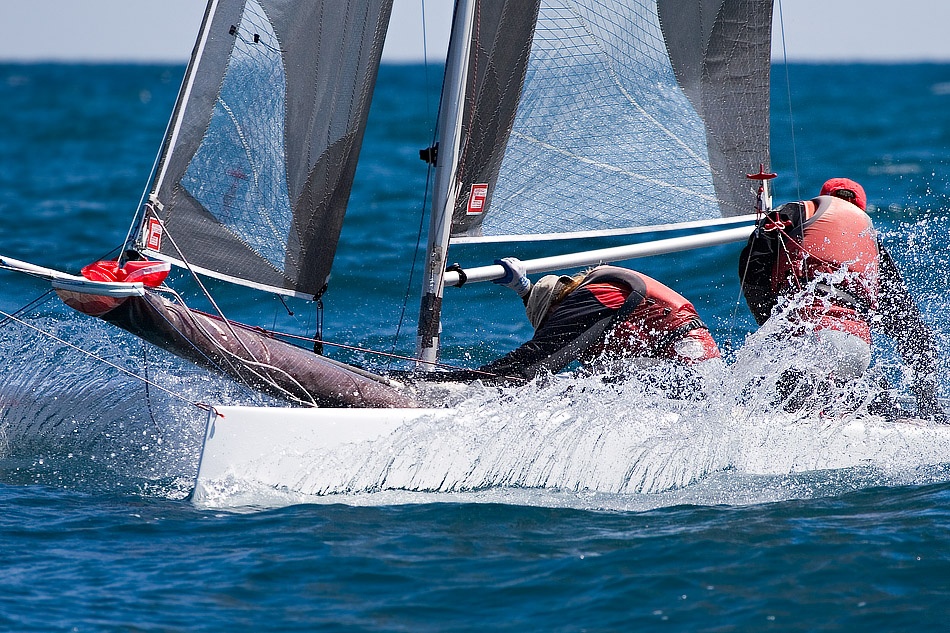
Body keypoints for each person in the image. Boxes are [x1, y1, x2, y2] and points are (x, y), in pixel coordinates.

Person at [738, 177, 944, 420]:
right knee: (856, 391)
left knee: (764, 393)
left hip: (806, 343)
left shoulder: (797, 212)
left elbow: (753, 266)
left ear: (823, 197)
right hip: (856, 352)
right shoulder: (871, 244)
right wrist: (927, 401)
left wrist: (771, 320)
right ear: (861, 208)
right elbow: (911, 329)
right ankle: (894, 410)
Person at [442, 259, 720, 387]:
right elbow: (546, 302)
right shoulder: (592, 298)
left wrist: (461, 381)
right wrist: (522, 287)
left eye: (551, 323)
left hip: (684, 377)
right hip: (696, 376)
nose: (556, 328)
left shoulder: (597, 295)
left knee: (577, 385)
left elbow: (539, 358)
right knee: (578, 380)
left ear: (558, 307)